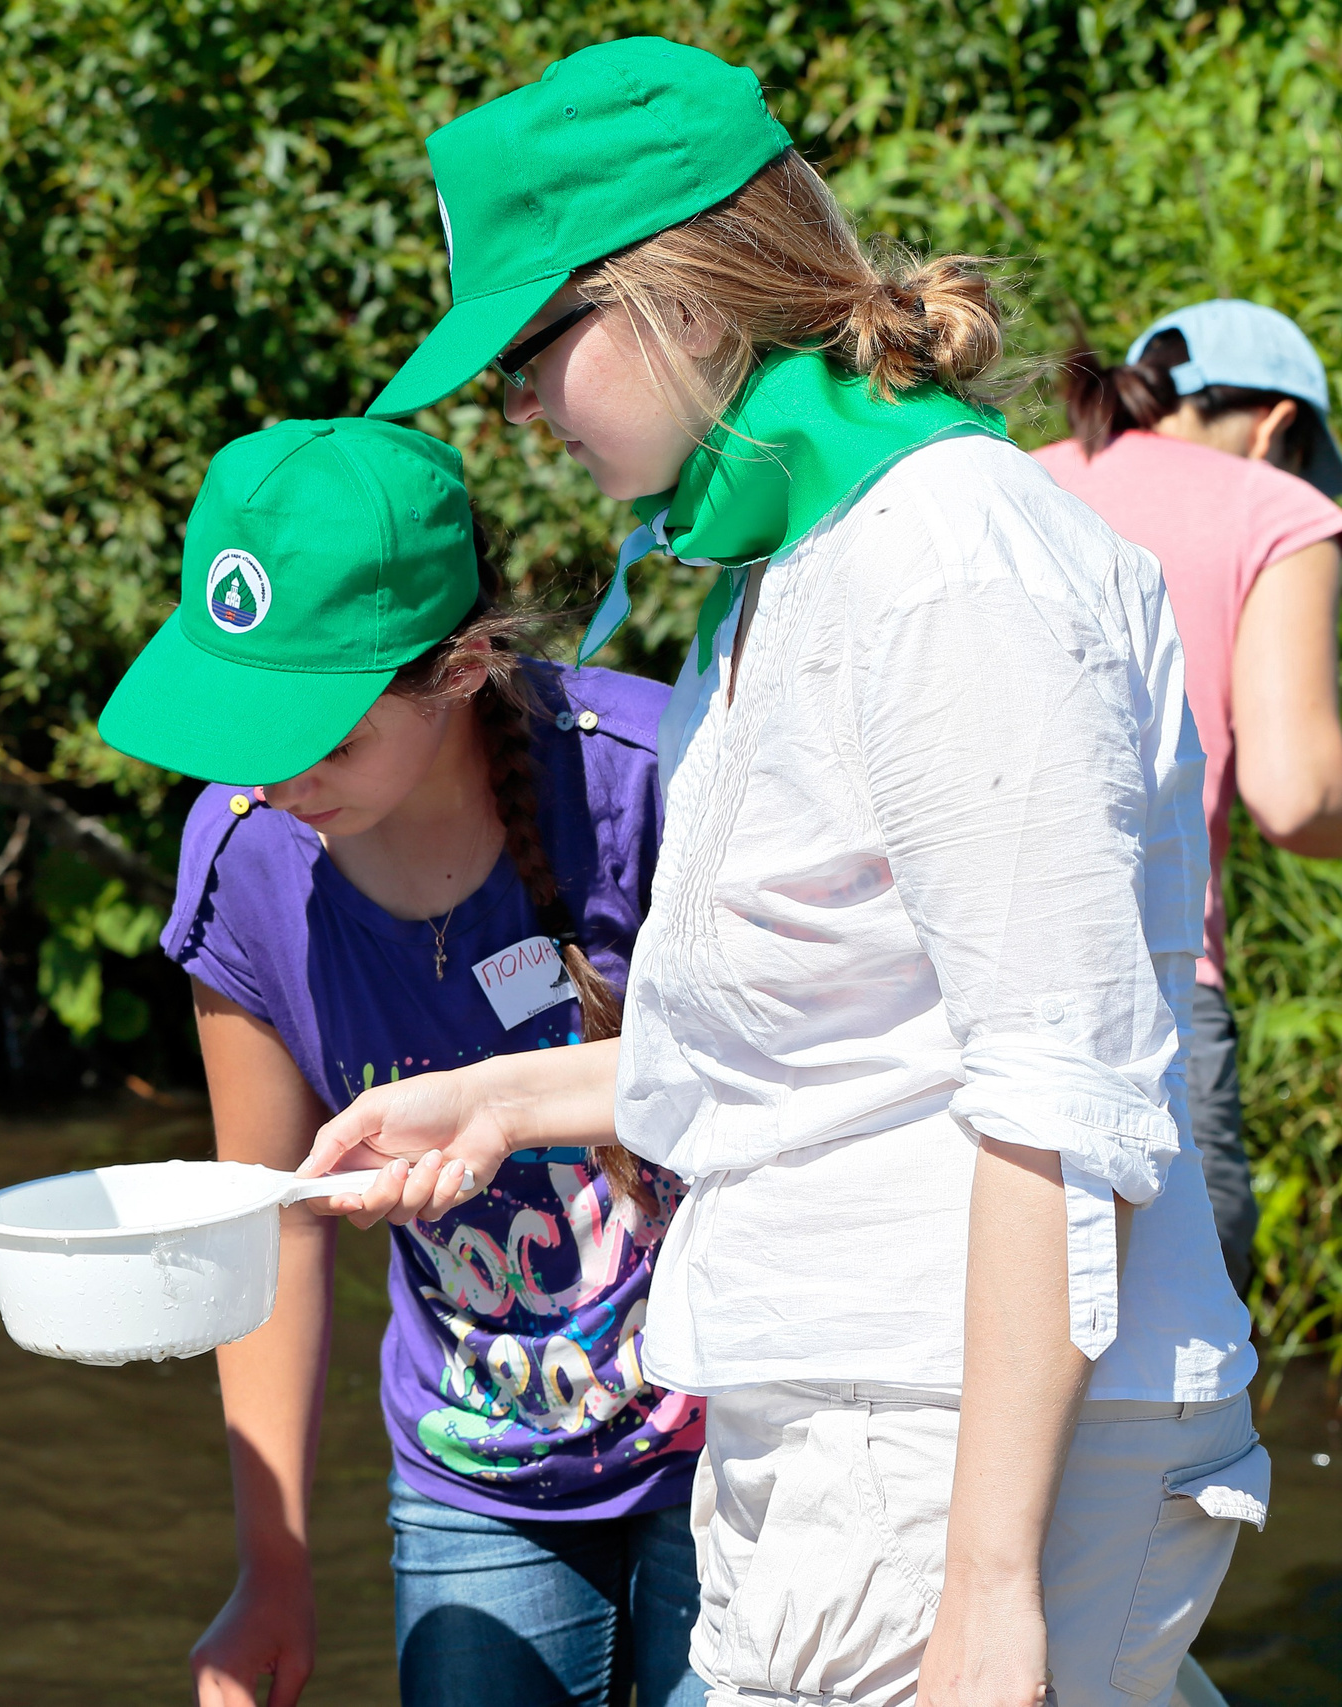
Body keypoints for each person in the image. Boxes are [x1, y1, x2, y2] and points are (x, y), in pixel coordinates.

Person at [301, 37, 1265, 1707]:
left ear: (679, 297)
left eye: (534, 345)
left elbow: (1055, 1083)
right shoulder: (797, 570)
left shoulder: (949, 566)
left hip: (947, 1438)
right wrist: (500, 1101)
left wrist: (989, 1591)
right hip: (854, 1415)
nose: (515, 405)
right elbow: (819, 1042)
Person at [96, 418, 694, 1707]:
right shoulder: (241, 862)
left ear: (463, 665)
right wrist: (273, 1566)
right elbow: (273, 1224)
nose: (275, 772)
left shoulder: (657, 782)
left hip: (740, 1440)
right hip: (475, 1473)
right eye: (245, 723)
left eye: (323, 730)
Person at [1037, 298, 1342, 1294]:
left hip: (938, 1011)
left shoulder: (1014, 482)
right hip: (1149, 999)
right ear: (1276, 428)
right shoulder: (1273, 506)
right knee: (1175, 1392)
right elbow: (1296, 795)